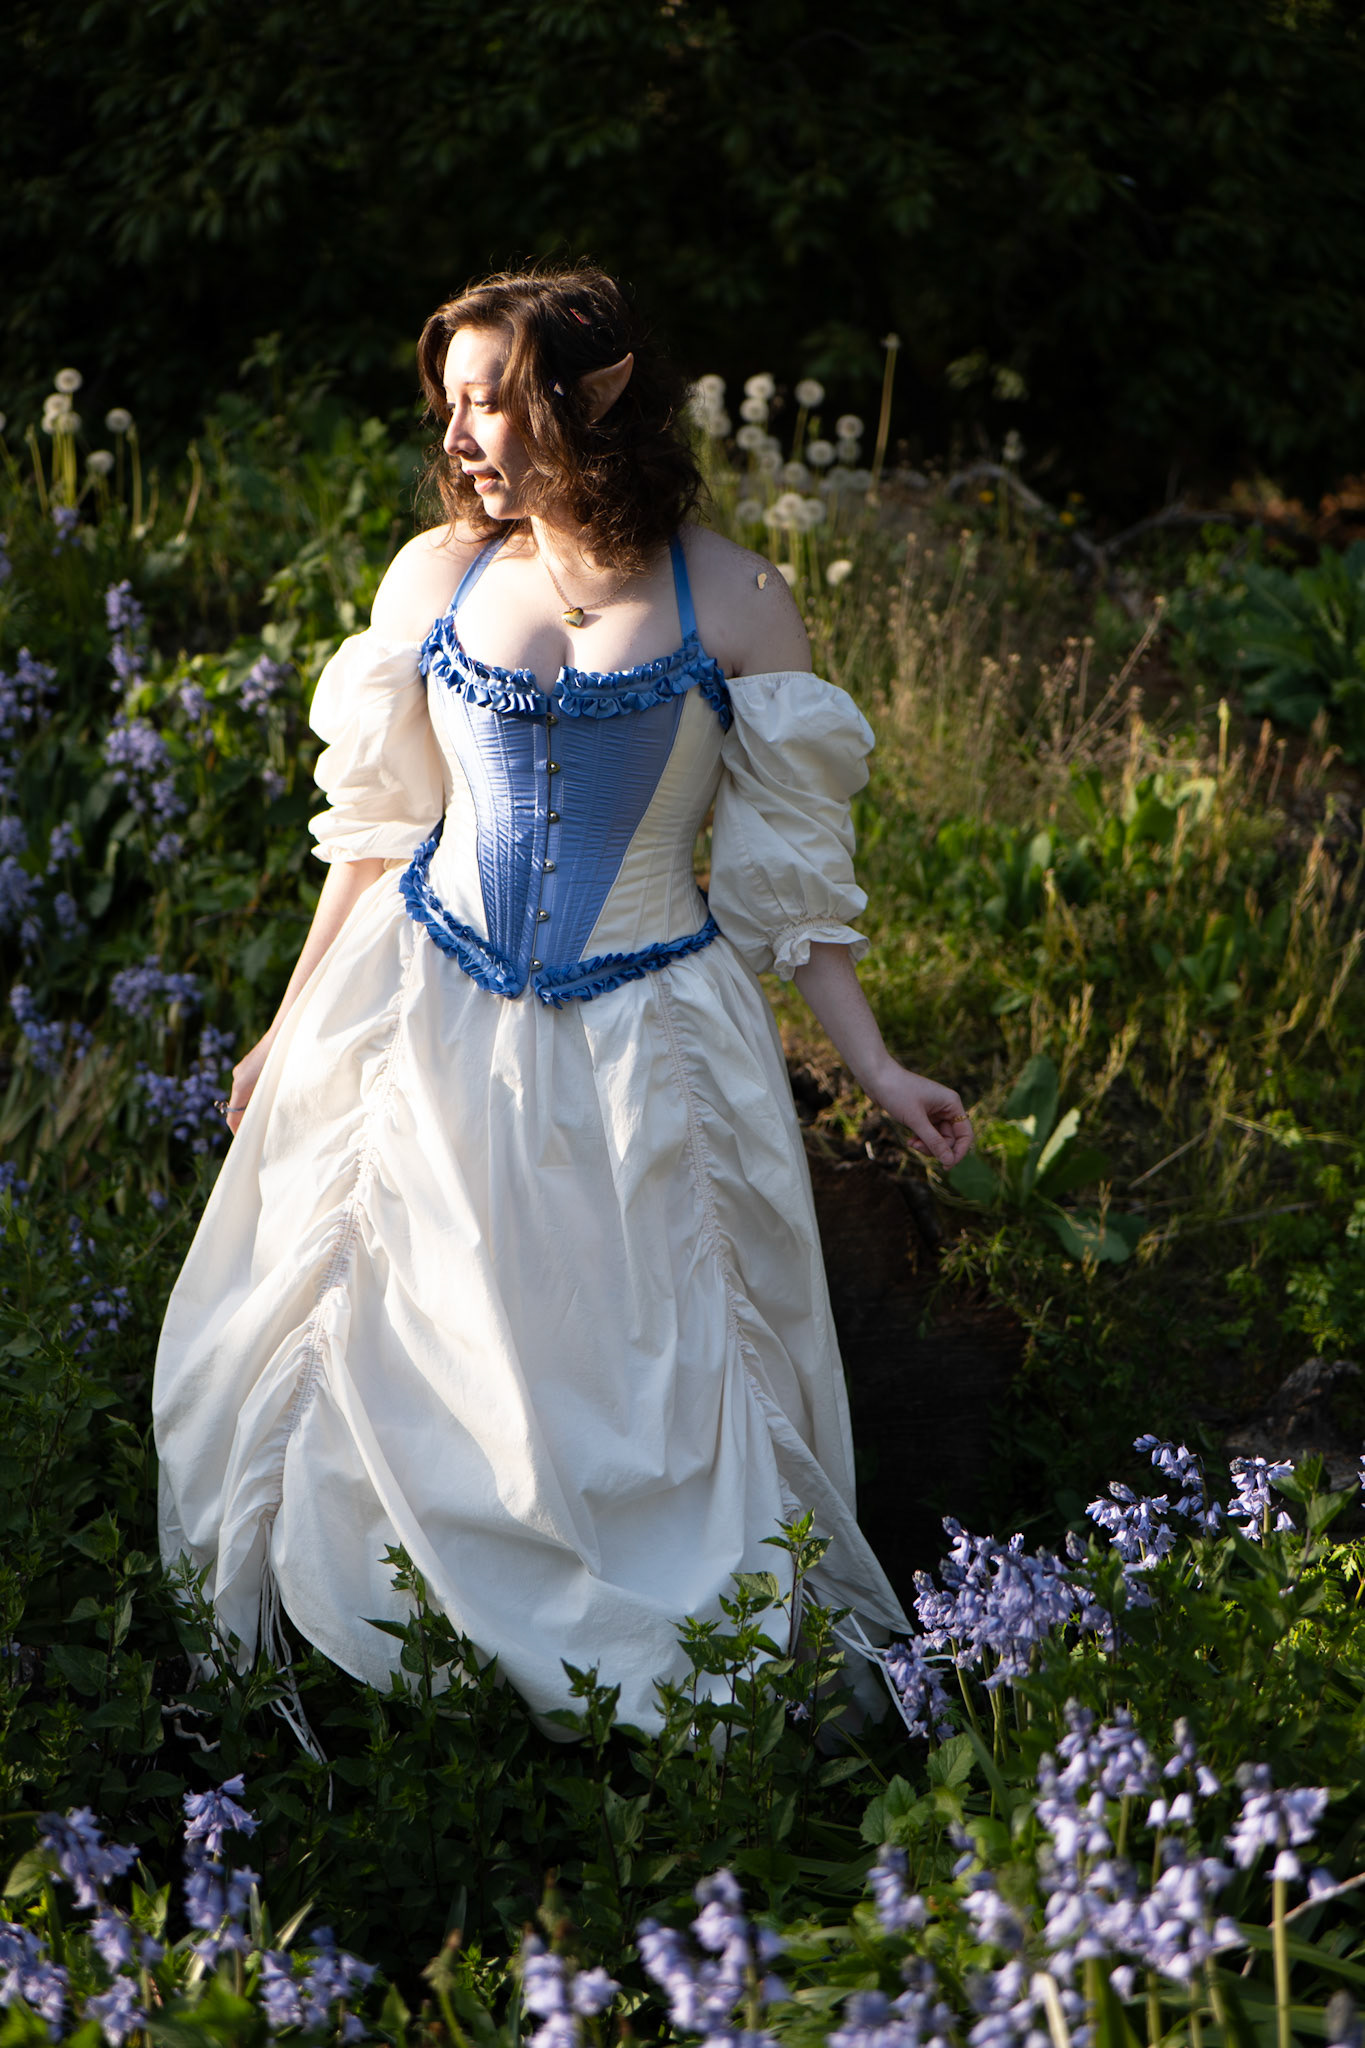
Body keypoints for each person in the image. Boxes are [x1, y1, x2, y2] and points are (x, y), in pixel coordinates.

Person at [152, 266, 973, 1733]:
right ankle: (388, 1680)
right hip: (423, 1012)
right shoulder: (437, 577)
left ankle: (663, 1698)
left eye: (492, 400)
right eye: (450, 401)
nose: (458, 435)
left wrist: (877, 1066)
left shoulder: (738, 598)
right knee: (385, 1329)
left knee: (658, 1368)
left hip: (651, 1034)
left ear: (593, 399)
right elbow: (378, 836)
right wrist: (287, 1023)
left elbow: (793, 887)